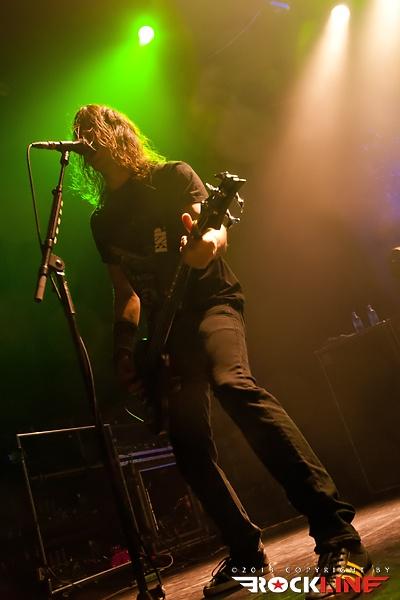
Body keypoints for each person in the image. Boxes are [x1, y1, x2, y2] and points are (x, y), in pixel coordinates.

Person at [72, 104, 372, 599]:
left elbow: (215, 230)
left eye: (94, 132)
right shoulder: (103, 220)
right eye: (79, 135)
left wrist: (204, 248)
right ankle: (245, 551)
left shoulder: (172, 177)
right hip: (167, 333)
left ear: (119, 135)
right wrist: (125, 351)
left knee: (233, 384)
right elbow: (126, 292)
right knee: (188, 446)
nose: (86, 142)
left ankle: (337, 534)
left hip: (212, 304)